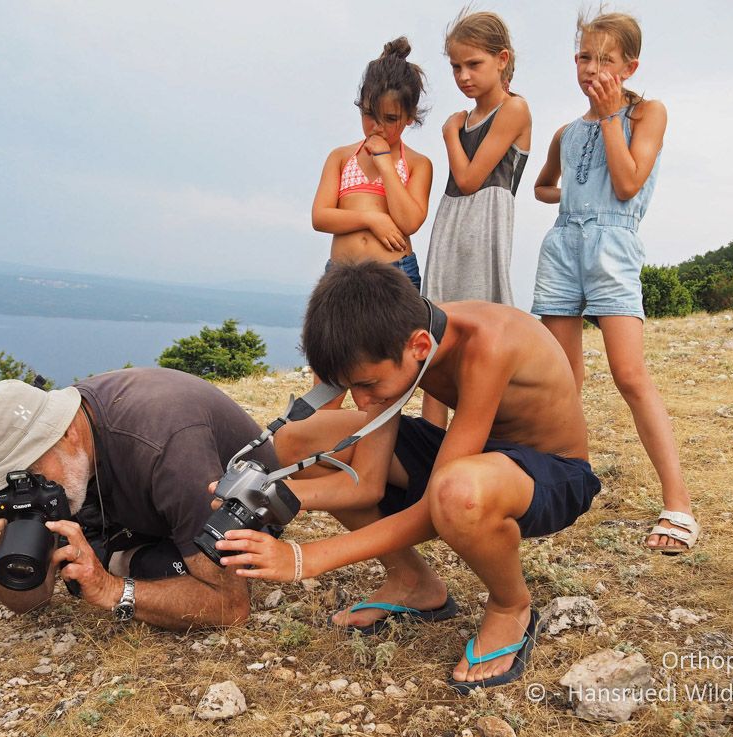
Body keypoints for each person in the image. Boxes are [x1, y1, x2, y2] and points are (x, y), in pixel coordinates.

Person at [212, 262, 601, 691]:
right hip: (475, 457)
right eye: (349, 387)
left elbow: (434, 507)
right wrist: (273, 494)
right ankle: (413, 582)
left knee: (457, 493)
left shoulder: (488, 344)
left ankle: (511, 606)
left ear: (418, 345)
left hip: (553, 473)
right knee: (301, 439)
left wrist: (305, 558)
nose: (361, 400)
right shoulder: (399, 338)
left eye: (367, 383)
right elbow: (366, 482)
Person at [530, 11, 697, 553]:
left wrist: (608, 117)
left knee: (629, 373)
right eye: (584, 56)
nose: (593, 68)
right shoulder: (565, 132)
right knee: (560, 377)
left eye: (606, 59)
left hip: (614, 246)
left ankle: (679, 505)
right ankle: (554, 486)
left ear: (631, 65)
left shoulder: (647, 113)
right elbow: (543, 187)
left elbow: (627, 185)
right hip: (562, 247)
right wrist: (576, 203)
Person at [0, 367, 276, 629]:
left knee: (160, 566)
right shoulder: (64, 459)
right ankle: (118, 554)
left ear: (66, 433)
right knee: (80, 554)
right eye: (10, 480)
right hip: (141, 508)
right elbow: (32, 600)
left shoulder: (168, 450)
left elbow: (230, 606)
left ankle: (122, 558)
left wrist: (111, 588)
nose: (26, 486)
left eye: (30, 468)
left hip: (243, 509)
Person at [421, 10, 532, 428]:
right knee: (436, 336)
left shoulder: (514, 109)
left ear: (502, 59)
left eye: (473, 64)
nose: (463, 76)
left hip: (483, 229)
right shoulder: (465, 117)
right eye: (455, 66)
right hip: (449, 228)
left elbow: (468, 179)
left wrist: (450, 134)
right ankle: (430, 443)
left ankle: (485, 434)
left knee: (483, 336)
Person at [312, 37, 433, 290]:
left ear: (410, 117)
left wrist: (385, 164)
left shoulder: (417, 164)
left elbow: (409, 222)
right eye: (369, 114)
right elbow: (320, 217)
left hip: (395, 275)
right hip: (340, 274)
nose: (377, 127)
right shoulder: (341, 157)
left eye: (390, 118)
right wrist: (371, 219)